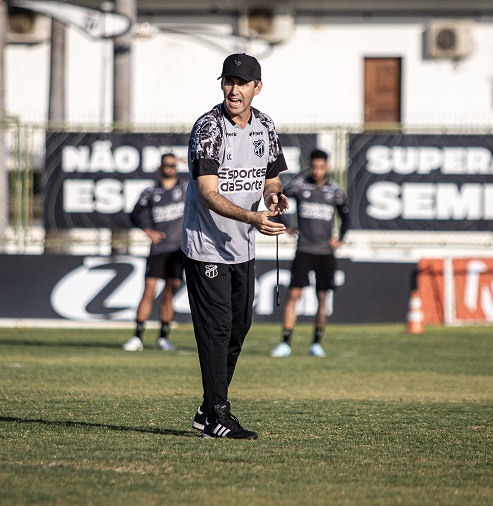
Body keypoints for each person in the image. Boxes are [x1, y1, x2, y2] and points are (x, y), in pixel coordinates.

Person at [183, 52, 289, 440]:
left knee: (239, 327)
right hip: (206, 246)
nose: (234, 89)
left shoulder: (266, 125)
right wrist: (253, 218)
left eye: (242, 83)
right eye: (228, 81)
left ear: (256, 88)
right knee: (217, 328)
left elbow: (271, 177)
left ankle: (207, 408)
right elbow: (208, 193)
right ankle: (217, 414)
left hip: (243, 247)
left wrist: (274, 198)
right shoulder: (208, 127)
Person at [271, 149, 350, 359]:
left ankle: (316, 342)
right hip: (304, 249)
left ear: (327, 167)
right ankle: (285, 341)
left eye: (321, 167)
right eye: (314, 166)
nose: (316, 171)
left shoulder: (335, 190)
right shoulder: (299, 184)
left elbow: (346, 216)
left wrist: (340, 238)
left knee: (322, 297)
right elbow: (280, 200)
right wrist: (286, 225)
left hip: (325, 252)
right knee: (294, 294)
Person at [122, 153, 186, 352]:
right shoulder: (150, 192)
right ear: (161, 167)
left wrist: (189, 162)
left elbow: (206, 180)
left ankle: (163, 337)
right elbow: (134, 214)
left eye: (173, 165)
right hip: (159, 249)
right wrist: (147, 230)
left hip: (179, 248)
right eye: (167, 164)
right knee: (149, 289)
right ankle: (137, 337)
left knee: (170, 290)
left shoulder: (184, 188)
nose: (170, 168)